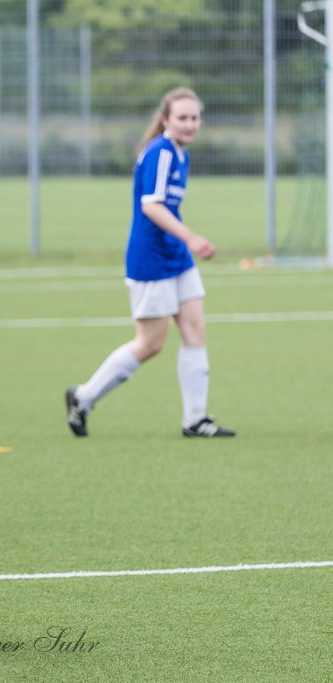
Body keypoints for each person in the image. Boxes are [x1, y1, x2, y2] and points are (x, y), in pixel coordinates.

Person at [65, 87, 234, 439]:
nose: (190, 124)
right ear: (166, 120)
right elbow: (151, 206)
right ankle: (83, 397)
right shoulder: (160, 152)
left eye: (195, 117)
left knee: (194, 331)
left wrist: (184, 244)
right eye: (182, 118)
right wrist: (192, 238)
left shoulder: (179, 154)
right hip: (151, 259)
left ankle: (196, 420)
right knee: (150, 343)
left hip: (177, 257)